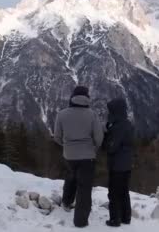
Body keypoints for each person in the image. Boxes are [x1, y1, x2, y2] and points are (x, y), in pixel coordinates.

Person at [54, 86, 104, 228]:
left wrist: (67, 145)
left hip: (69, 155)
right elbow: (99, 138)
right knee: (84, 187)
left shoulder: (61, 114)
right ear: (87, 98)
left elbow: (57, 137)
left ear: (72, 97)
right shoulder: (92, 114)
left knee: (70, 177)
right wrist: (93, 148)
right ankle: (80, 221)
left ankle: (66, 202)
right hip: (87, 156)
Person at [104, 98, 134, 227]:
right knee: (124, 191)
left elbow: (111, 147)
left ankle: (115, 219)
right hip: (127, 163)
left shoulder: (118, 127)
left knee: (114, 193)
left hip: (117, 165)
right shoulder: (126, 123)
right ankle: (126, 217)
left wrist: (106, 138)